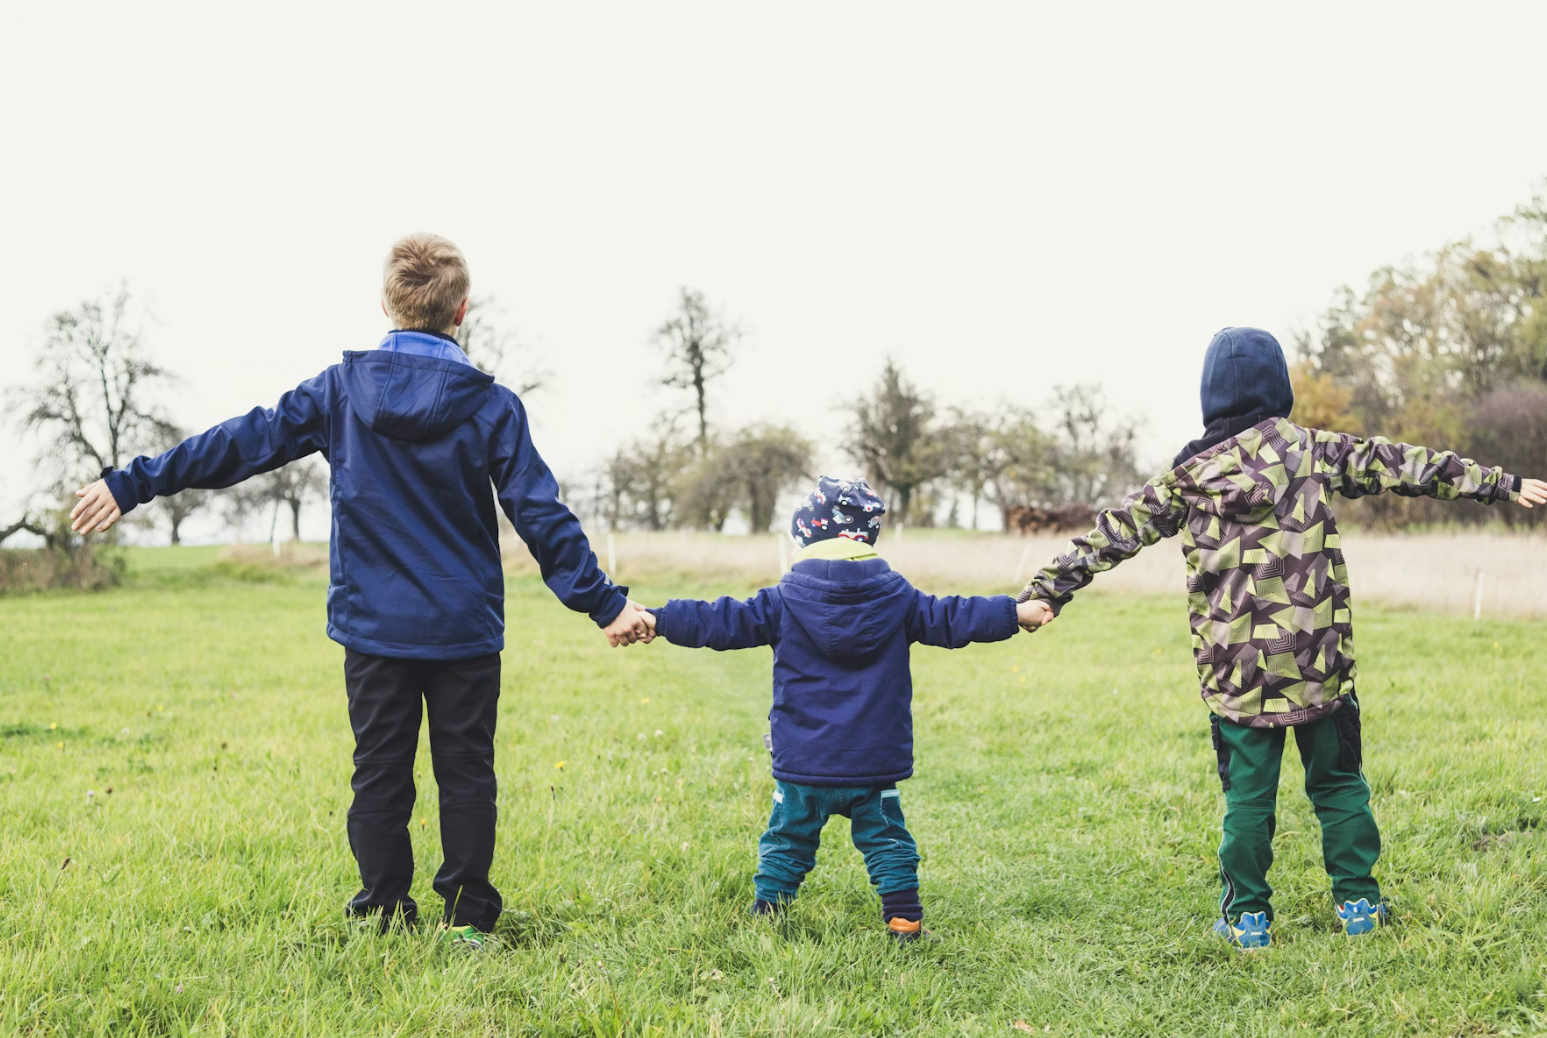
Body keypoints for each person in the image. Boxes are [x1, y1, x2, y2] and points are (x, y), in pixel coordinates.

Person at [68, 233, 651, 949]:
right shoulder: (493, 406)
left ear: (386, 302)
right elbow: (539, 513)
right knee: (467, 772)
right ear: (461, 310)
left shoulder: (341, 392)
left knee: (379, 774)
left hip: (374, 628)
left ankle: (381, 911)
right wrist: (605, 603)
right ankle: (467, 922)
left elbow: (241, 442)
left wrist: (134, 482)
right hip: (463, 628)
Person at [1016, 327, 1547, 949]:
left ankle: (1247, 918)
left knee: (1247, 800)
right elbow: (1402, 464)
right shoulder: (1311, 451)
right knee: (1338, 785)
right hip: (1318, 661)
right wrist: (1500, 484)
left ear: (1210, 397)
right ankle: (1358, 905)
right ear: (1281, 388)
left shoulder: (1186, 478)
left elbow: (1111, 533)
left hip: (1237, 675)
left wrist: (1048, 590)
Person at [631, 477, 1050, 941]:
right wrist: (1015, 612)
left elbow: (720, 620)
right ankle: (905, 921)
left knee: (787, 839)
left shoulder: (783, 599)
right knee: (888, 841)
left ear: (807, 536)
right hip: (873, 761)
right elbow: (956, 616)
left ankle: (767, 913)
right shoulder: (900, 598)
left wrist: (658, 617)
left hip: (804, 762)